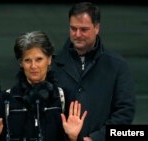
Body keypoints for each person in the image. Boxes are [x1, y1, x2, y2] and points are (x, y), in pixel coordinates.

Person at [0, 31, 87, 141]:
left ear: (49, 60)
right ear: (21, 63)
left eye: (39, 59)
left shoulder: (64, 97)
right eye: (27, 60)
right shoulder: (5, 99)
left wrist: (73, 138)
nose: (33, 66)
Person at [51, 2, 135, 141]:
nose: (77, 34)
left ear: (97, 28)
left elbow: (125, 113)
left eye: (84, 29)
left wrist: (97, 138)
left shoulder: (117, 66)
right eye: (73, 28)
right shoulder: (52, 66)